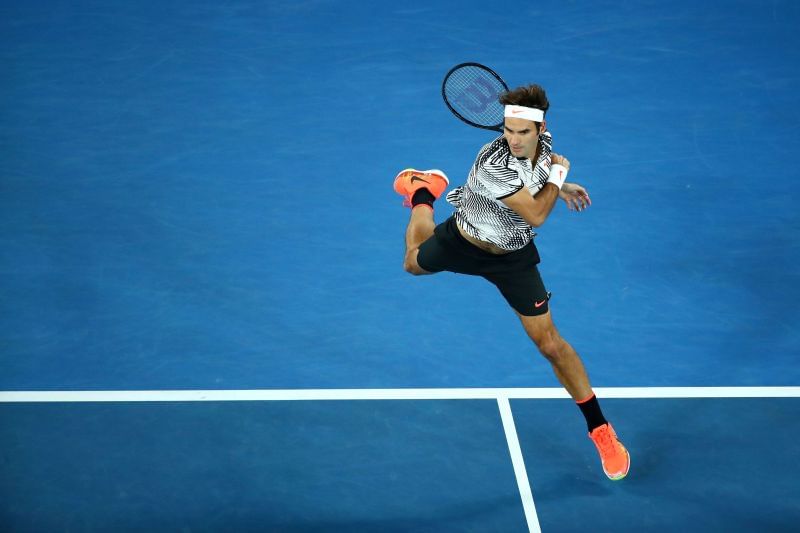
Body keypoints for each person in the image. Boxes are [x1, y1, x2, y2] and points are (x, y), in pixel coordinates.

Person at [393, 84, 630, 480]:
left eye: (523, 131)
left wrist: (560, 184)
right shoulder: (493, 163)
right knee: (413, 264)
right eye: (508, 130)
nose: (514, 139)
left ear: (541, 128)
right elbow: (537, 214)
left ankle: (600, 430)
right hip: (464, 241)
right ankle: (423, 191)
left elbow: (540, 176)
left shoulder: (545, 144)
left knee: (550, 344)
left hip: (512, 260)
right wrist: (559, 176)